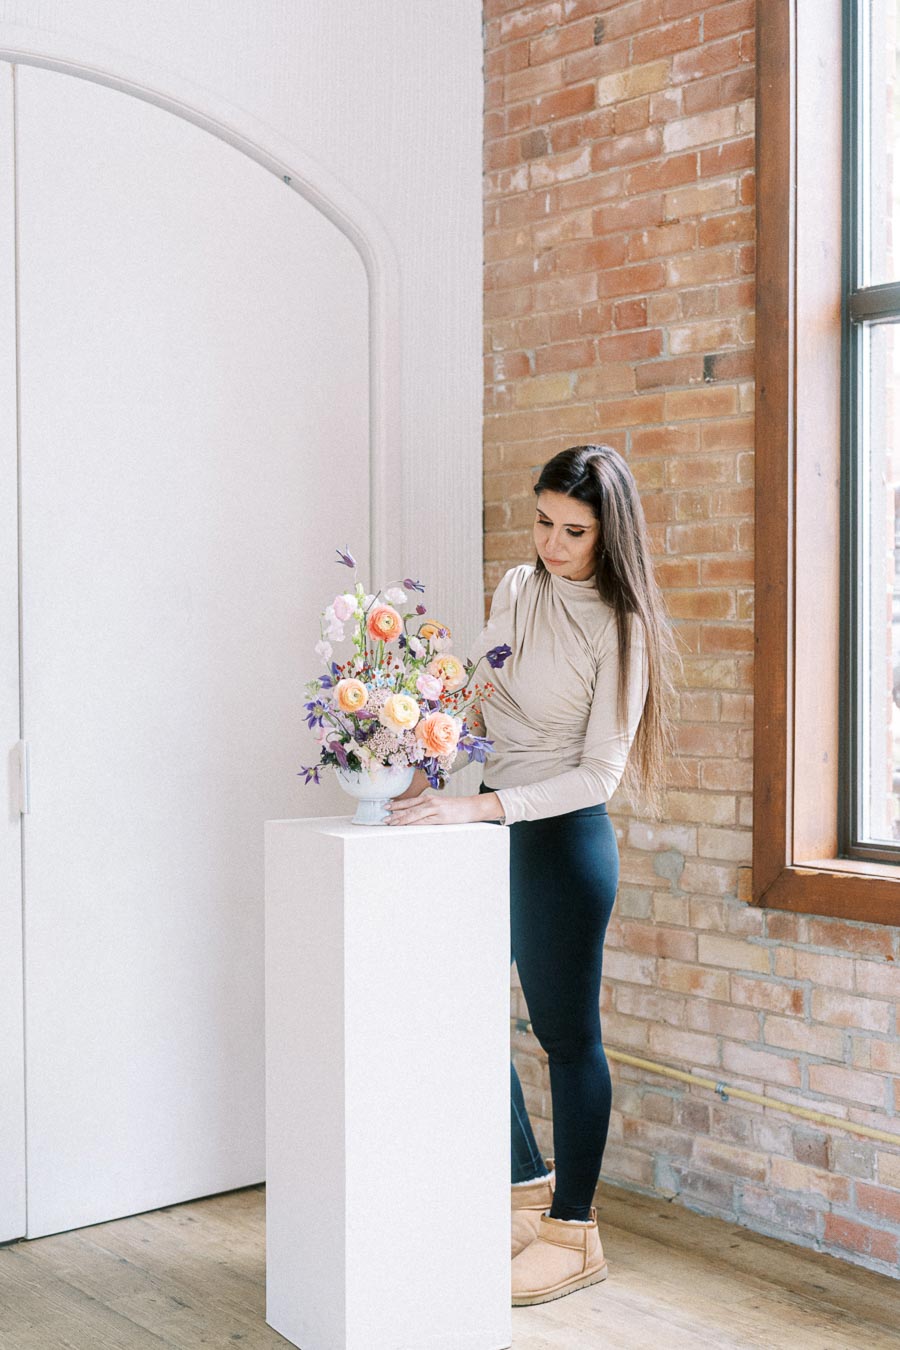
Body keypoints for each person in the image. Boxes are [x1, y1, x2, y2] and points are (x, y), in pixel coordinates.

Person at [385, 444, 678, 1306]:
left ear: (609, 532)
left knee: (566, 1041)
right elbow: (479, 694)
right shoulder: (517, 587)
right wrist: (418, 764)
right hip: (484, 827)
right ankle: (523, 1189)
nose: (553, 544)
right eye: (544, 521)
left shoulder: (620, 628)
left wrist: (478, 809)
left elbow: (600, 775)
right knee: (463, 1014)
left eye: (575, 531)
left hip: (558, 845)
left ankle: (574, 1231)